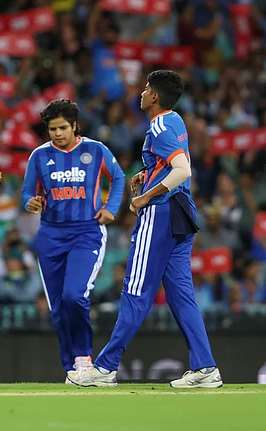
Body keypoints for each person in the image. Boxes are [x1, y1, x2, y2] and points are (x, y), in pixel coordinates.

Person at [68, 70, 223, 388]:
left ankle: (105, 368)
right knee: (182, 295)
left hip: (160, 213)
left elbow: (182, 170)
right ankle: (206, 368)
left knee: (135, 290)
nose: (141, 93)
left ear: (154, 96)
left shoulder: (159, 126)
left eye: (146, 88)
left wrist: (145, 197)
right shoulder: (174, 120)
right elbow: (173, 164)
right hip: (181, 212)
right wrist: (148, 172)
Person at [20, 99, 125, 381]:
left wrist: (111, 208)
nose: (57, 133)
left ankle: (83, 358)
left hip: (86, 232)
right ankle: (71, 368)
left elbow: (117, 177)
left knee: (74, 295)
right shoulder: (39, 156)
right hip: (50, 235)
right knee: (57, 306)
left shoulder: (95, 149)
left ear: (75, 126)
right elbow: (27, 192)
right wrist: (31, 202)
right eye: (52, 129)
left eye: (62, 128)